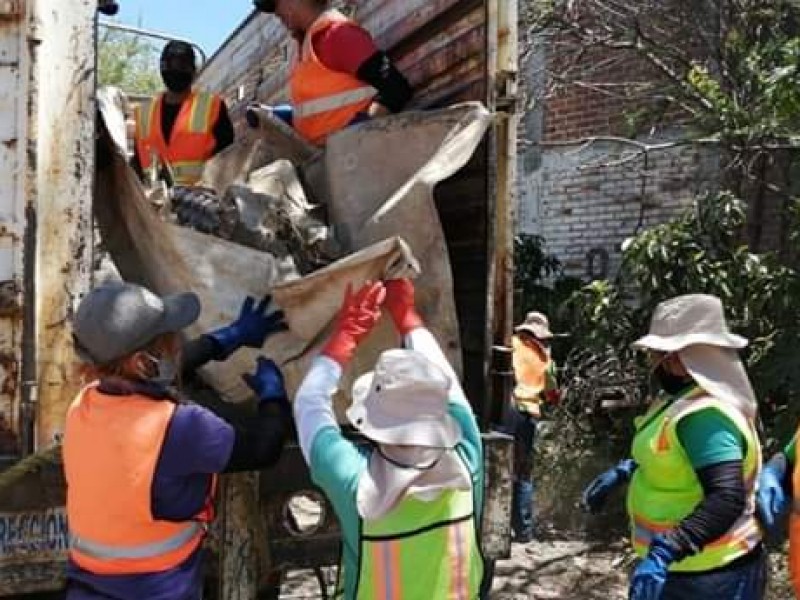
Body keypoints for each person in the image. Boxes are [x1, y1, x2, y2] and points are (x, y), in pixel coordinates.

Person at [63, 281, 289, 600]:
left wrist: (228, 338)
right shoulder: (181, 427)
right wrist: (274, 397)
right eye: (170, 341)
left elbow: (159, 369)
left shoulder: (83, 405)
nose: (178, 345)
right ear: (144, 362)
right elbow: (263, 449)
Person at [293, 278, 485, 598]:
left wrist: (347, 335)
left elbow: (308, 404)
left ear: (372, 420)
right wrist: (408, 318)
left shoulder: (355, 482)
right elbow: (449, 385)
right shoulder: (468, 457)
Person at [582, 294, 765, 600]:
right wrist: (627, 470)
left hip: (709, 578)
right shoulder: (680, 401)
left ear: (679, 359)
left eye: (656, 354)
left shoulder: (705, 416)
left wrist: (668, 549)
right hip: (690, 570)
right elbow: (671, 457)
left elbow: (725, 497)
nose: (652, 362)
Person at [252, 0, 413, 145]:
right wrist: (280, 117)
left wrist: (359, 131)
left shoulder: (336, 34)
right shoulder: (306, 46)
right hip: (329, 163)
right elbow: (322, 108)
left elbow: (396, 89)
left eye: (275, 4)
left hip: (359, 160)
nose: (275, 13)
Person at [133, 41, 234, 187]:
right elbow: (137, 165)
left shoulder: (213, 106)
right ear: (162, 68)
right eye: (171, 65)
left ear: (193, 70)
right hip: (153, 201)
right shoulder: (143, 113)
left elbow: (227, 159)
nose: (176, 70)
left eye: (181, 66)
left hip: (199, 201)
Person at [508, 311, 560, 543]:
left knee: (500, 467)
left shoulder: (512, 344)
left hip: (506, 410)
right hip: (528, 415)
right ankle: (523, 531)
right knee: (523, 474)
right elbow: (552, 395)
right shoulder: (546, 360)